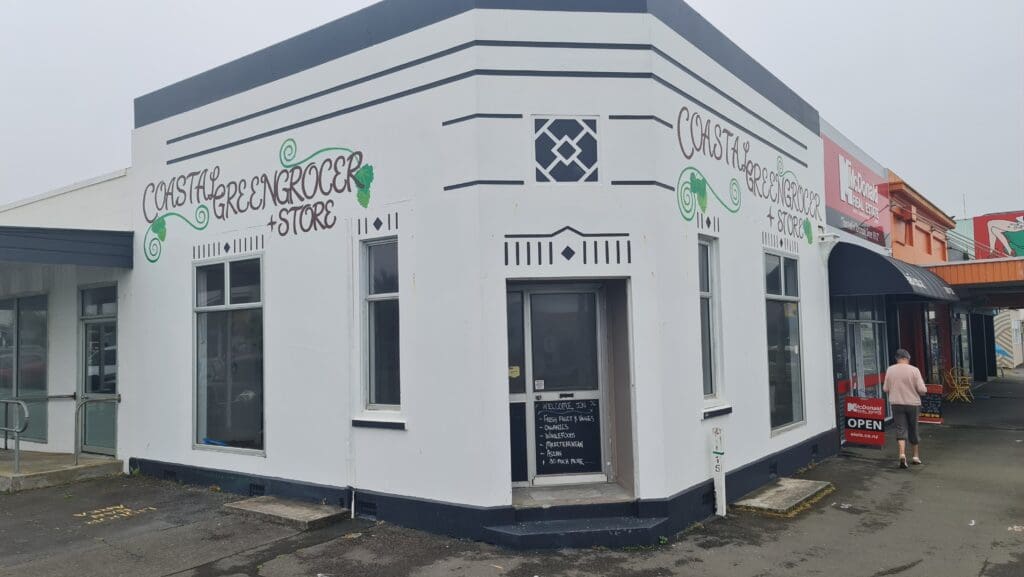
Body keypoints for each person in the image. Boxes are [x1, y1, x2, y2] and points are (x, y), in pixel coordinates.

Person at [882, 348, 928, 468]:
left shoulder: (890, 369)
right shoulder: (914, 370)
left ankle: (902, 455)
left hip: (896, 403)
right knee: (913, 428)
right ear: (906, 358)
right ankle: (915, 456)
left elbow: (885, 388)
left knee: (900, 429)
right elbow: (922, 389)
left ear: (897, 359)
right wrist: (922, 391)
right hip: (913, 403)